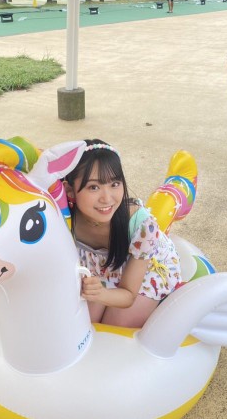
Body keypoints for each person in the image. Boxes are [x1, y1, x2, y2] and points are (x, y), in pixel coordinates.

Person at [64, 139, 182, 328]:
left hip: (145, 270)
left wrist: (101, 294)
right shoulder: (63, 219)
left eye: (115, 184)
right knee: (83, 324)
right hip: (98, 275)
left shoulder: (141, 225)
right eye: (94, 187)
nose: (107, 198)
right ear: (69, 190)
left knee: (114, 325)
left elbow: (128, 295)